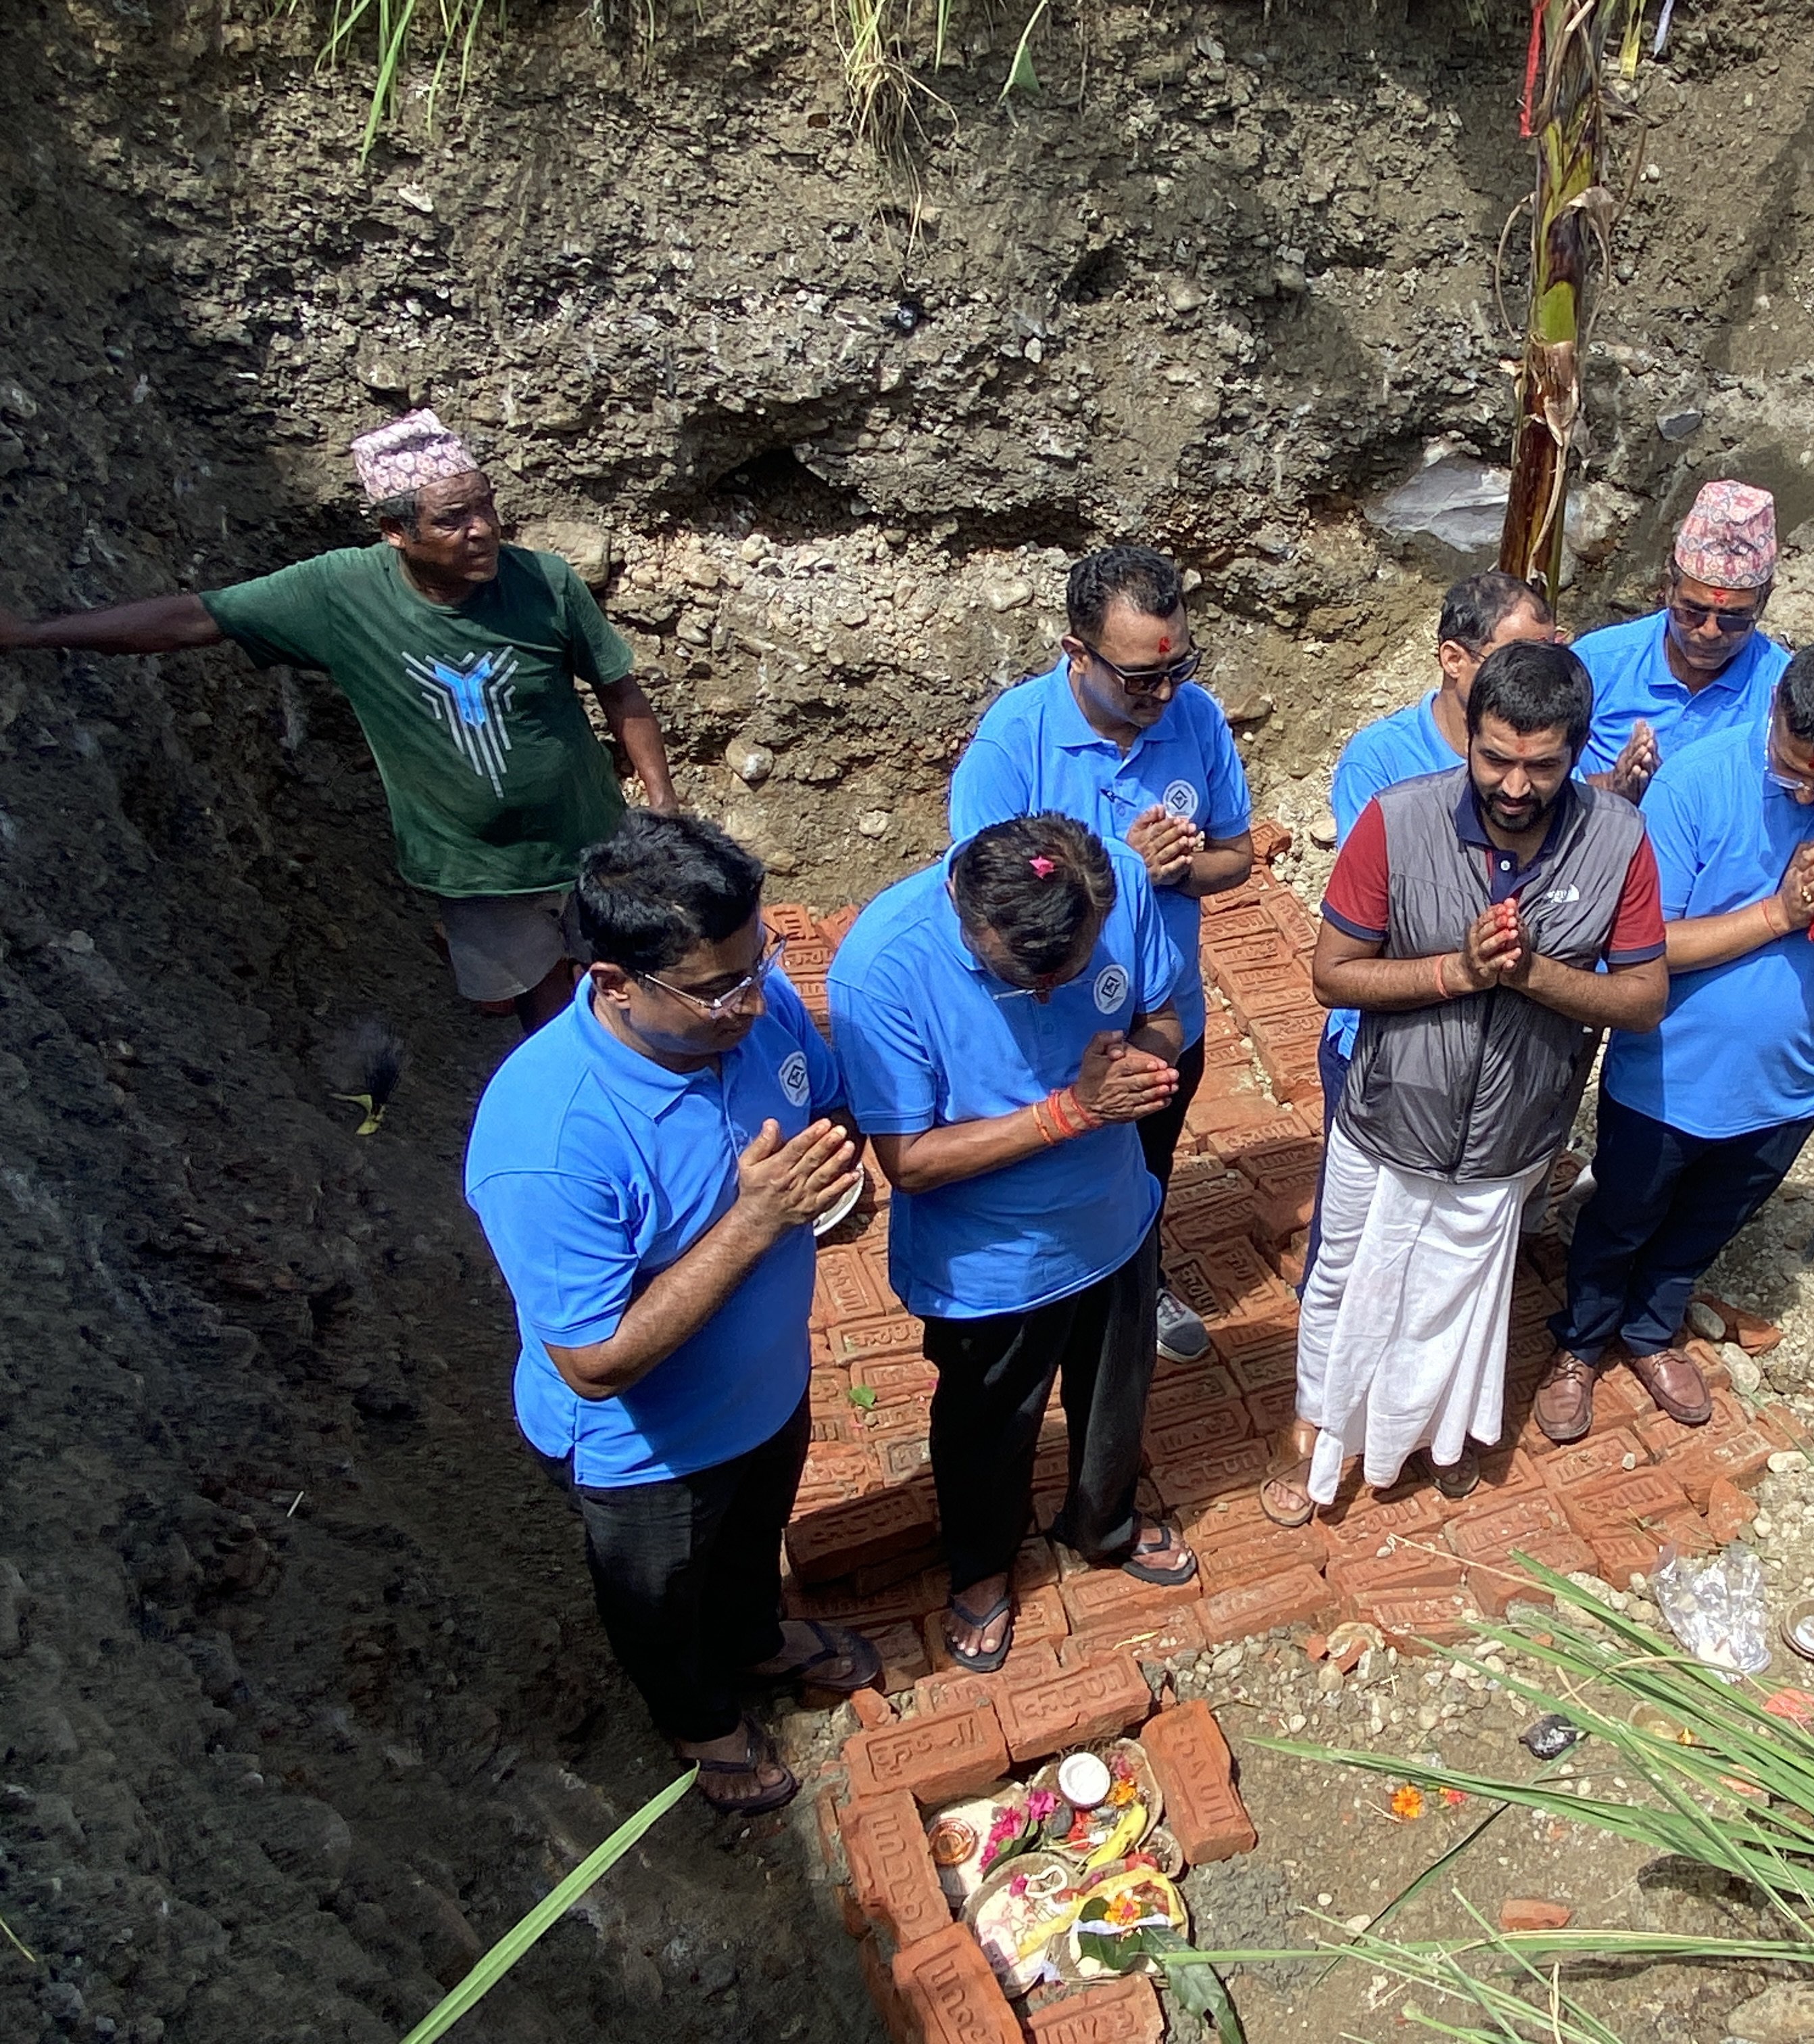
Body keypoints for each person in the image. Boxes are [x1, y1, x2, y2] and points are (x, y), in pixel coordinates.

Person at [0, 409, 675, 1031]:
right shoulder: (338, 595)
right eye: (452, 519)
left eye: (487, 507)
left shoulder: (546, 584)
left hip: (592, 842)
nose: (483, 530)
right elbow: (194, 618)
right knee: (544, 1014)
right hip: (473, 868)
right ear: (394, 533)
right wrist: (33, 634)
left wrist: (661, 807)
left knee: (642, 983)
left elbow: (621, 693)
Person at [465, 813, 875, 1814]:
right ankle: (699, 1721)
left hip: (765, 1391)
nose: (752, 998)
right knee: (658, 1603)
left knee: (752, 1541)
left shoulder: (753, 1006)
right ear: (612, 985)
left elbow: (823, 1103)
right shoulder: (551, 1141)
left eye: (758, 962)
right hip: (645, 1456)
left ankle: (758, 1639)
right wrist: (757, 1221)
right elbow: (596, 1362)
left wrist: (834, 1160)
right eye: (717, 986)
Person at [1265, 641, 1667, 1526]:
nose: (1515, 785)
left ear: (1578, 751)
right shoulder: (1397, 822)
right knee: (1347, 1281)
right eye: (1495, 758)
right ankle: (1320, 1439)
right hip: (1386, 1115)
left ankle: (1435, 1437)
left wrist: (1531, 975)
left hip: (1513, 1130)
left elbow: (1641, 1000)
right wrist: (1459, 972)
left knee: (1461, 1297)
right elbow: (1333, 976)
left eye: (1542, 765)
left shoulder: (1619, 843)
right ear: (1469, 737)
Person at [1536, 639, 1814, 1442]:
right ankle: (1578, 1347)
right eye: (1794, 772)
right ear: (1775, 708)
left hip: (1783, 1090)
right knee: (1618, 1220)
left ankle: (1650, 1334)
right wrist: (1778, 915)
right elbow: (1642, 946)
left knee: (1701, 1231)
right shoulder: (1697, 780)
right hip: (1666, 1077)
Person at [828, 813, 1198, 1673]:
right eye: (1028, 976)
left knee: (1116, 1396)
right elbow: (909, 1162)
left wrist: (1141, 1064)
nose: (1049, 996)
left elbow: (1164, 1016)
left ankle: (1101, 1523)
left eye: (1068, 974)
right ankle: (984, 1566)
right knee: (989, 1425)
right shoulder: (882, 970)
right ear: (971, 918)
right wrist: (1073, 1110)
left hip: (1115, 1217)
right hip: (989, 1268)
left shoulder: (1123, 887)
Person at [947, 544, 1252, 1367]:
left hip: (1161, 1018)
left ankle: (1136, 1283)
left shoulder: (1197, 719)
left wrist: (1182, 868)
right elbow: (986, 908)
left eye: (1177, 668)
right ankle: (1039, 1307)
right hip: (1053, 1032)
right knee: (1044, 1173)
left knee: (1144, 1164)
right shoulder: (1011, 746)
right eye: (1138, 679)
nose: (1162, 695)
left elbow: (1238, 856)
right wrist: (1119, 869)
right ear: (1075, 654)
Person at [1305, 570, 1567, 1276]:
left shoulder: (1557, 751)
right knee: (1356, 1245)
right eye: (1518, 656)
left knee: (1451, 1253)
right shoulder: (1383, 762)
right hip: (1385, 1048)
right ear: (1455, 660)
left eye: (1551, 652)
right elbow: (1370, 924)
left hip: (1504, 1056)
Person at [1569, 479, 1793, 800]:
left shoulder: (1783, 688)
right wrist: (1611, 788)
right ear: (1668, 588)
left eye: (1734, 619)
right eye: (1692, 612)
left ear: (1764, 602)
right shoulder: (1597, 663)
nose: (1710, 632)